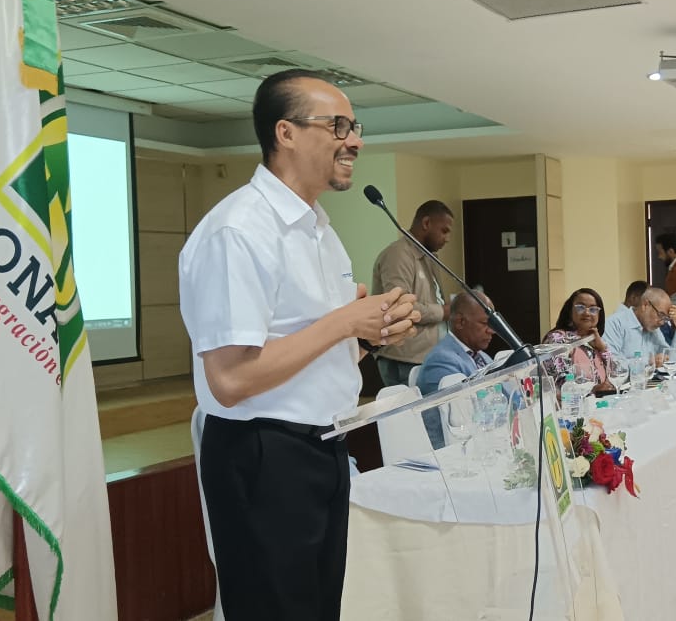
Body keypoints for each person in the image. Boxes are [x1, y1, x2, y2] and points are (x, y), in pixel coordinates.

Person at [179, 69, 421, 620]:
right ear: (285, 133)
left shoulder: (319, 232)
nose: (354, 141)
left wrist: (373, 333)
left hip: (324, 447)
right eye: (337, 126)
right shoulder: (239, 231)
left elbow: (316, 351)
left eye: (354, 127)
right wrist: (344, 322)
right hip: (264, 455)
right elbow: (232, 379)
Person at [371, 199, 455, 386]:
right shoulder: (398, 255)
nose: (447, 238)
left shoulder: (429, 257)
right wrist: (443, 311)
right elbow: (400, 306)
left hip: (428, 355)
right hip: (404, 359)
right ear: (426, 223)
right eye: (444, 231)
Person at [415, 292, 495, 446]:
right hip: (452, 449)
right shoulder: (441, 360)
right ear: (460, 322)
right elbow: (469, 414)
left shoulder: (482, 356)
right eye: (485, 323)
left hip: (479, 441)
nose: (491, 331)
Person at [543, 288, 616, 393]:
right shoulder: (558, 339)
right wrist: (593, 390)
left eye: (593, 309)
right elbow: (559, 384)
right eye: (580, 307)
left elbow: (616, 376)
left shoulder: (594, 342)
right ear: (570, 311)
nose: (587, 313)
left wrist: (603, 349)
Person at [606, 286, 676, 364]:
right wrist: (648, 361)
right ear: (645, 305)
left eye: (665, 318)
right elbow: (611, 364)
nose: (662, 323)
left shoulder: (654, 329)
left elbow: (670, 360)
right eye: (660, 315)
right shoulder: (615, 324)